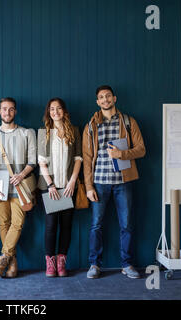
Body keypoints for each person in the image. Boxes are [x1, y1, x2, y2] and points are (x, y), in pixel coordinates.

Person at [82, 85, 146, 279]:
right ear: (97, 102)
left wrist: (121, 154)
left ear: (114, 98)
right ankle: (94, 264)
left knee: (126, 224)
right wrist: (89, 186)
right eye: (101, 97)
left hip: (123, 182)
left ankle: (127, 265)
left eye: (108, 96)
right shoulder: (91, 125)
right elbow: (86, 158)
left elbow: (141, 149)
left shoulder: (128, 122)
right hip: (99, 182)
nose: (105, 100)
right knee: (96, 225)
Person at [0, 97, 37, 278]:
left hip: (21, 184)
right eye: (4, 109)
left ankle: (4, 257)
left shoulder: (27, 133)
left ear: (15, 112)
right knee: (4, 223)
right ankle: (12, 263)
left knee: (18, 223)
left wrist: (21, 175)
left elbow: (33, 160)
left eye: (11, 109)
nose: (7, 112)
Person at [37, 98, 82, 277]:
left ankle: (62, 262)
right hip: (50, 188)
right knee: (51, 226)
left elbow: (78, 159)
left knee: (66, 225)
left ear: (64, 111)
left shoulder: (74, 131)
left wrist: (72, 181)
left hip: (69, 187)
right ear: (49, 112)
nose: (55, 112)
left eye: (59, 108)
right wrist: (50, 185)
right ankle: (50, 263)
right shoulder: (44, 132)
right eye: (52, 109)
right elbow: (42, 162)